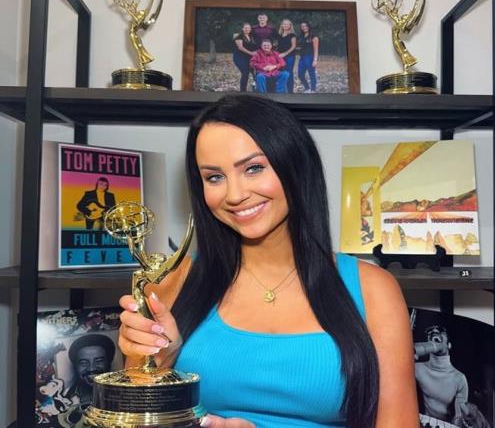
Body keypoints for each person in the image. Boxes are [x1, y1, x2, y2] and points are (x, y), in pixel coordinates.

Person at [118, 95, 419, 427]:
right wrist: (160, 359)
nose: (235, 195)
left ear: (295, 165)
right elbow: (135, 418)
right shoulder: (171, 282)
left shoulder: (374, 289)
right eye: (214, 177)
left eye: (254, 168)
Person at [414, 325, 468, 425]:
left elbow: (459, 417)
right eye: (430, 333)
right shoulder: (417, 368)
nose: (434, 332)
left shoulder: (459, 378)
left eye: (440, 331)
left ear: (449, 345)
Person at [65, 333, 116, 405]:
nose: (91, 368)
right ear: (76, 366)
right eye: (84, 363)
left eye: (98, 361)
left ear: (109, 363)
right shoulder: (64, 397)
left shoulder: (125, 394)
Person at [232, 23, 258, 92]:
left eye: (248, 28)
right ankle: (243, 91)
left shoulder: (251, 36)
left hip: (250, 58)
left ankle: (256, 87)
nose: (247, 29)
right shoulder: (239, 37)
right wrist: (251, 53)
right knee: (245, 73)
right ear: (242, 29)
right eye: (245, 28)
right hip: (240, 57)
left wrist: (256, 51)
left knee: (256, 73)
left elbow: (255, 46)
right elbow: (240, 48)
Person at [297, 22, 319, 93]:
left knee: (311, 74)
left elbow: (316, 49)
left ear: (309, 27)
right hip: (302, 57)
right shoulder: (301, 36)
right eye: (302, 26)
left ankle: (313, 90)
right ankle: (307, 88)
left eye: (305, 26)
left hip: (310, 57)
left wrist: (315, 60)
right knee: (300, 74)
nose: (304, 27)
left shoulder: (314, 36)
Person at [277, 19, 297, 93]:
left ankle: (290, 91)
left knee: (289, 72)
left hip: (289, 56)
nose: (285, 25)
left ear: (290, 26)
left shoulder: (292, 35)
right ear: (282, 25)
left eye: (287, 24)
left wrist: (285, 53)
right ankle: (282, 90)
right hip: (280, 56)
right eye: (284, 24)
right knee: (281, 72)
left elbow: (293, 46)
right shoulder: (279, 35)